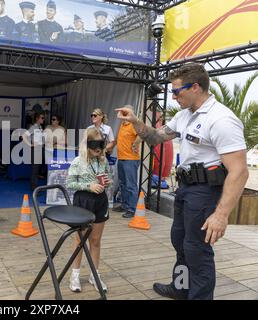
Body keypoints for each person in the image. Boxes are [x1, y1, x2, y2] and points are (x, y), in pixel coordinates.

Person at [115, 63, 249, 300]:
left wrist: (221, 215)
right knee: (180, 241)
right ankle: (181, 288)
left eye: (177, 91)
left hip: (205, 191)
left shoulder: (221, 119)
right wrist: (136, 121)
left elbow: (239, 172)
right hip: (186, 188)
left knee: (197, 249)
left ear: (195, 87)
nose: (173, 96)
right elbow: (156, 138)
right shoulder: (183, 115)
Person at [66, 127, 112, 293]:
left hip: (100, 202)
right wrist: (88, 186)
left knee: (96, 240)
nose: (98, 149)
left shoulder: (103, 160)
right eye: (94, 145)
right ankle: (75, 275)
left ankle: (94, 274)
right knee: (79, 240)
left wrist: (107, 181)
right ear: (87, 144)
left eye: (101, 144)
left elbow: (109, 178)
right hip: (83, 202)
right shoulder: (78, 161)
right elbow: (69, 183)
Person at [112, 105, 141, 218]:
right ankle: (125, 205)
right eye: (123, 112)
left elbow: (141, 135)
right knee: (123, 184)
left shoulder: (133, 124)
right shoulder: (123, 125)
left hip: (130, 159)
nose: (123, 114)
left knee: (130, 185)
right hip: (122, 158)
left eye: (125, 112)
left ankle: (132, 209)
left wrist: (135, 143)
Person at [23, 111, 46, 191]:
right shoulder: (34, 127)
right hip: (36, 150)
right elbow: (24, 135)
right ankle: (33, 188)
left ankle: (35, 187)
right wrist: (30, 145)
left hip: (40, 150)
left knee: (37, 170)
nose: (43, 119)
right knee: (35, 170)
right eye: (42, 118)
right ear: (37, 119)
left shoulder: (40, 127)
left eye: (44, 118)